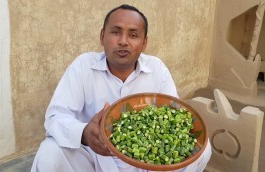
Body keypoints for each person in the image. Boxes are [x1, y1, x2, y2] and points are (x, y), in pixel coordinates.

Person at [31, 4, 211, 172]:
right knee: (50, 153)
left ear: (144, 43)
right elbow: (55, 117)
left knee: (202, 149)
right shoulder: (83, 66)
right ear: (102, 36)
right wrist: (85, 133)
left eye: (133, 35)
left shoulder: (157, 69)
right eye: (116, 32)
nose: (123, 41)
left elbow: (175, 117)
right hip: (96, 157)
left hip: (148, 158)